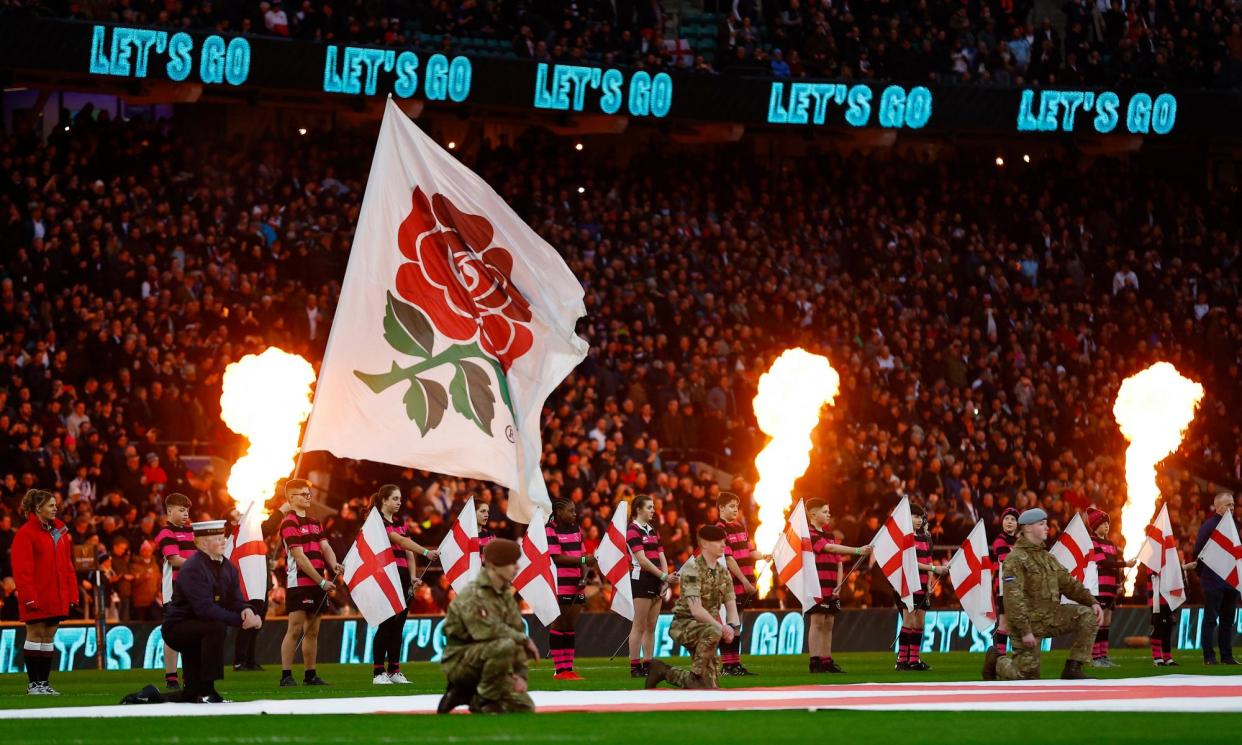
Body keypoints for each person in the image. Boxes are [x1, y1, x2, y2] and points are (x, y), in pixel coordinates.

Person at [984, 508, 1103, 681]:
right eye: (1042, 524)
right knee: (1026, 675)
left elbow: (1069, 584)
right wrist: (1025, 631)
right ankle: (996, 661)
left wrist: (1092, 601)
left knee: (1089, 616)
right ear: (1028, 528)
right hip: (1028, 624)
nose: (1047, 527)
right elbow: (1013, 600)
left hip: (1051, 617)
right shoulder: (1014, 559)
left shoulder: (1047, 558)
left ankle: (1074, 667)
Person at [162, 519, 263, 703]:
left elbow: (235, 600)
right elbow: (205, 609)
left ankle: (150, 696)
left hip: (199, 626)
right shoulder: (193, 568)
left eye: (223, 536)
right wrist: (241, 621)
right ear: (201, 543)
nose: (223, 541)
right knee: (216, 627)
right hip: (177, 628)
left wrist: (248, 611)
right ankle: (208, 691)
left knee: (190, 694)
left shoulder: (228, 567)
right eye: (217, 538)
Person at [437, 539, 539, 714]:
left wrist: (520, 675)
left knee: (524, 705)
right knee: (505, 644)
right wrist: (523, 639)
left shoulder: (505, 596)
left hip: (490, 660)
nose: (516, 567)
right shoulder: (473, 594)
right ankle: (480, 697)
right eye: (510, 562)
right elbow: (487, 631)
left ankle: (468, 695)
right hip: (460, 661)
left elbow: (516, 633)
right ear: (493, 565)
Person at [646, 524, 741, 689]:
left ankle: (663, 671)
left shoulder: (723, 573)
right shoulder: (691, 569)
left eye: (724, 541)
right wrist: (722, 628)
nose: (724, 545)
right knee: (714, 632)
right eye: (718, 541)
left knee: (708, 687)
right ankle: (696, 675)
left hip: (708, 628)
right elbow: (696, 611)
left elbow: (731, 606)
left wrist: (732, 626)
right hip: (685, 625)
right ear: (704, 544)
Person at [11, 489, 77, 695]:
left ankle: (44, 683)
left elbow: (68, 566)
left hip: (56, 595)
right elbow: (22, 570)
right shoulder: (25, 533)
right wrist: (29, 597)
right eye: (51, 505)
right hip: (37, 595)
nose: (55, 508)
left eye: (55, 504)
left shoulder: (60, 532)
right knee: (35, 634)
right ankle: (33, 685)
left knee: (48, 636)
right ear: (38, 508)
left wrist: (72, 594)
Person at [279, 478, 344, 687]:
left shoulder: (316, 522)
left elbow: (325, 547)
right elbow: (299, 557)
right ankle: (286, 675)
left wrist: (334, 564)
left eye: (309, 494)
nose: (308, 497)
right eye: (303, 494)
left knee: (313, 630)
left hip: (318, 581)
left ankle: (310, 674)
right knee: (295, 628)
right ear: (290, 498)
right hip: (299, 581)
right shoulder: (289, 522)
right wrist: (321, 581)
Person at [371, 484, 435, 684]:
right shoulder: (376, 521)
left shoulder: (400, 521)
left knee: (399, 625)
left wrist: (412, 576)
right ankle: (378, 672)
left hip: (401, 575)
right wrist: (425, 552)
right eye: (395, 499)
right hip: (386, 575)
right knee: (387, 623)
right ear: (384, 500)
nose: (399, 502)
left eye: (400, 499)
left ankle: (394, 670)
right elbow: (400, 541)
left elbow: (408, 553)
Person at [805, 498, 872, 673]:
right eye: (825, 512)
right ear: (812, 514)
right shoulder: (810, 534)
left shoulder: (829, 535)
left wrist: (840, 584)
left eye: (828, 511)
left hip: (832, 585)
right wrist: (858, 550)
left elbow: (839, 562)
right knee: (817, 622)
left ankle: (826, 660)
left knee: (829, 623)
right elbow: (831, 549)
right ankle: (814, 661)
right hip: (817, 585)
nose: (829, 515)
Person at [716, 492, 768, 676]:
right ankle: (728, 665)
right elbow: (728, 559)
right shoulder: (719, 529)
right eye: (731, 506)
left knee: (738, 623)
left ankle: (735, 664)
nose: (735, 510)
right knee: (730, 623)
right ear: (721, 508)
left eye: (736, 506)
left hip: (744, 582)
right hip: (730, 584)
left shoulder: (740, 527)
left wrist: (765, 555)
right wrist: (745, 581)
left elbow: (750, 551)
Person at [626, 494, 677, 677]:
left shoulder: (652, 530)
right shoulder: (633, 530)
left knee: (651, 625)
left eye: (653, 507)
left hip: (656, 580)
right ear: (638, 509)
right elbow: (642, 560)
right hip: (642, 580)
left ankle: (648, 663)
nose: (653, 510)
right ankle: (634, 666)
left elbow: (661, 555)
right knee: (639, 625)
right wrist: (664, 575)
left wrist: (664, 580)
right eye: (649, 507)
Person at [545, 498, 596, 680]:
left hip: (576, 583)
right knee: (560, 623)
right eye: (571, 511)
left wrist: (583, 576)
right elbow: (556, 558)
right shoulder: (549, 529)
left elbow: (582, 554)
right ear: (559, 512)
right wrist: (583, 561)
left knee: (571, 624)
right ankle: (559, 670)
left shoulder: (576, 529)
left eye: (575, 511)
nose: (575, 514)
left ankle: (569, 668)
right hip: (560, 583)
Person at [896, 504, 948, 671]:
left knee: (919, 624)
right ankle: (901, 660)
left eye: (920, 517)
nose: (918, 520)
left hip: (923, 586)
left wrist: (930, 582)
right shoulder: (905, 537)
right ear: (908, 518)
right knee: (908, 621)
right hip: (909, 585)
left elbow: (928, 560)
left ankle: (914, 660)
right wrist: (934, 569)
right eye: (915, 516)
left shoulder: (926, 538)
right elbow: (911, 563)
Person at [1192, 492, 1240, 665]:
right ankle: (1209, 656)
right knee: (1211, 619)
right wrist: (1203, 575)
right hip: (1213, 581)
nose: (1232, 508)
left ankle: (1226, 656)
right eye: (1228, 505)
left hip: (1231, 581)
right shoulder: (1209, 525)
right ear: (1218, 506)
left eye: (1233, 504)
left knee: (1227, 620)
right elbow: (1198, 552)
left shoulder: (1235, 525)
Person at [155, 493, 195, 690]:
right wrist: (202, 565)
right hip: (175, 591)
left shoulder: (193, 532)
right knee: (173, 633)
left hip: (194, 591)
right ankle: (171, 676)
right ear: (169, 511)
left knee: (192, 633)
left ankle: (189, 675)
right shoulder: (166, 533)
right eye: (181, 510)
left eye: (187, 510)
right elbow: (174, 559)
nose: (185, 513)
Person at [1087, 508, 1132, 668]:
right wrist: (1125, 564)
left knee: (1107, 621)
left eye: (1107, 523)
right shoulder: (1093, 542)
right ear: (1095, 526)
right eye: (1103, 523)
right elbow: (1103, 563)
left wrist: (1119, 583)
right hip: (1099, 587)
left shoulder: (1111, 544)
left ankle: (1104, 655)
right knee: (1098, 621)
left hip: (1111, 588)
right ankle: (1095, 657)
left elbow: (1114, 567)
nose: (1106, 526)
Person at [990, 507, 1019, 658]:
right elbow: (1006, 561)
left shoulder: (1018, 541)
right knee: (1004, 623)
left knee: (1014, 623)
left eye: (1013, 519)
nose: (1009, 522)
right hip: (1005, 587)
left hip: (1017, 588)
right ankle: (1000, 657)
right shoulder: (999, 541)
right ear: (1002, 522)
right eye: (1007, 519)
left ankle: (1013, 657)